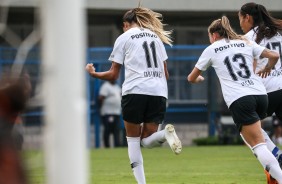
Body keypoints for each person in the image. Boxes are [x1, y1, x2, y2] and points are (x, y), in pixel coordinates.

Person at [86, 7, 182, 184]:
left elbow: (113, 75)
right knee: (147, 140)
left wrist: (94, 74)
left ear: (125, 24)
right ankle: (164, 136)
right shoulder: (156, 38)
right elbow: (166, 74)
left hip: (135, 91)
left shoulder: (123, 38)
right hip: (159, 92)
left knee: (133, 140)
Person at [187, 15, 282, 182]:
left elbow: (191, 77)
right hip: (261, 95)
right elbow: (274, 55)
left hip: (241, 99)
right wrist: (268, 68)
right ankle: (274, 164)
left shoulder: (212, 48)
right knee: (257, 138)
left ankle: (277, 170)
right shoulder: (245, 42)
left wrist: (199, 79)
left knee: (258, 146)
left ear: (214, 35)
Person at [238, 3, 282, 183]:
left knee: (246, 129)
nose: (240, 23)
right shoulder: (279, 32)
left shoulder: (248, 38)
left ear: (247, 17)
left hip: (266, 91)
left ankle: (276, 156)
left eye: (240, 18)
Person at [98, 80, 121, 148]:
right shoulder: (105, 86)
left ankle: (117, 146)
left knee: (116, 130)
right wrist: (101, 109)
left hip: (116, 112)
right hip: (108, 113)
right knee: (107, 129)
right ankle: (107, 146)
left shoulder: (117, 87)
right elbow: (101, 98)